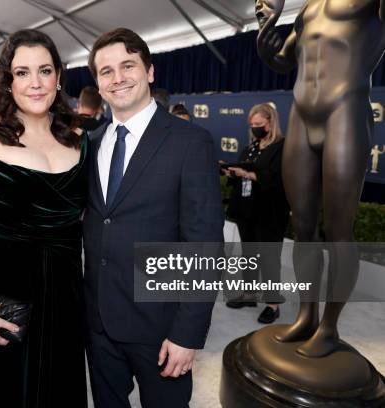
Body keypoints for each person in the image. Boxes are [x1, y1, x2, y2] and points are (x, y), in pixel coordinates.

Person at [0, 29, 87, 408]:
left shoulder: (80, 139)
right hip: (4, 294)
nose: (35, 83)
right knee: (3, 393)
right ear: (8, 82)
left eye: (44, 70)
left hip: (65, 295)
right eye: (22, 73)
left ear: (59, 75)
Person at [83, 28, 224, 408]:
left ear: (149, 72)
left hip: (161, 329)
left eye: (128, 66)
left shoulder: (190, 142)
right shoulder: (90, 143)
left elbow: (205, 244)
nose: (118, 78)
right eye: (106, 71)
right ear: (97, 83)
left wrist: (188, 333)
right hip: (98, 323)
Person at [256, 0, 385, 356]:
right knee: (303, 228)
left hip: (345, 110)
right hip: (301, 113)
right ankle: (307, 315)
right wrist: (266, 31)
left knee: (339, 231)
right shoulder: (310, 7)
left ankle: (329, 328)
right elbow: (283, 60)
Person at [222, 103, 289, 324]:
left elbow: (278, 179)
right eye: (252, 125)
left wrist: (248, 174)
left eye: (259, 124)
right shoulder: (252, 146)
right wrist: (230, 171)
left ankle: (273, 304)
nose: (255, 128)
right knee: (249, 256)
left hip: (270, 211)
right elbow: (241, 172)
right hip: (247, 209)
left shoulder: (282, 147)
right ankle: (249, 295)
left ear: (270, 123)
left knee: (269, 257)